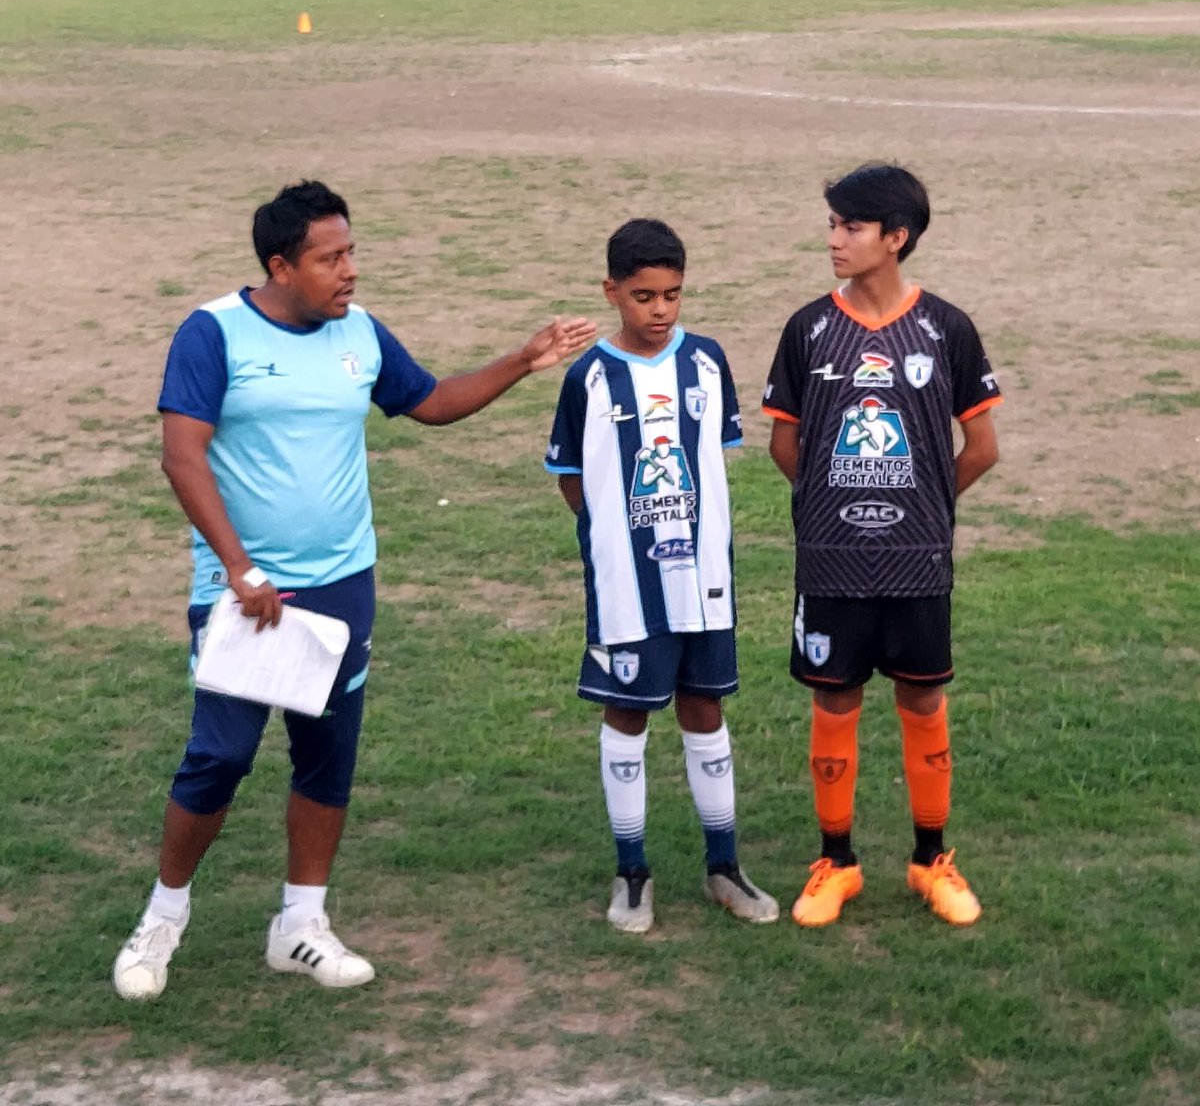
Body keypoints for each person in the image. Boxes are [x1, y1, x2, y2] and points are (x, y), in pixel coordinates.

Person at [112, 180, 596, 1000]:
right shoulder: (213, 334)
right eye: (330, 258)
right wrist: (238, 566)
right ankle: (163, 918)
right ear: (280, 265)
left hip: (342, 588)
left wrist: (524, 359)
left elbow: (431, 402)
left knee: (326, 755)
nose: (349, 272)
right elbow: (182, 456)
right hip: (245, 595)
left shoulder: (360, 335)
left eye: (351, 253)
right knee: (219, 756)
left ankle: (299, 924)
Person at [762, 164, 1001, 929]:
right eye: (831, 224)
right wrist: (836, 510)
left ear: (894, 238)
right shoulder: (808, 328)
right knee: (835, 697)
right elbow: (785, 442)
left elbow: (982, 446)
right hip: (831, 560)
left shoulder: (948, 329)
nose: (834, 239)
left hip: (917, 559)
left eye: (851, 226)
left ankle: (932, 859)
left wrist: (920, 508)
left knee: (923, 696)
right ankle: (836, 863)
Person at [544, 218, 778, 935]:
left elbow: (716, 454)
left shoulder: (706, 362)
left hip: (703, 578)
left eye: (672, 295)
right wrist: (611, 536)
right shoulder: (587, 375)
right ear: (611, 291)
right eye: (643, 296)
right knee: (629, 712)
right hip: (627, 584)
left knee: (704, 709)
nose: (660, 311)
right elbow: (569, 475)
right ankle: (632, 872)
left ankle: (724, 865)